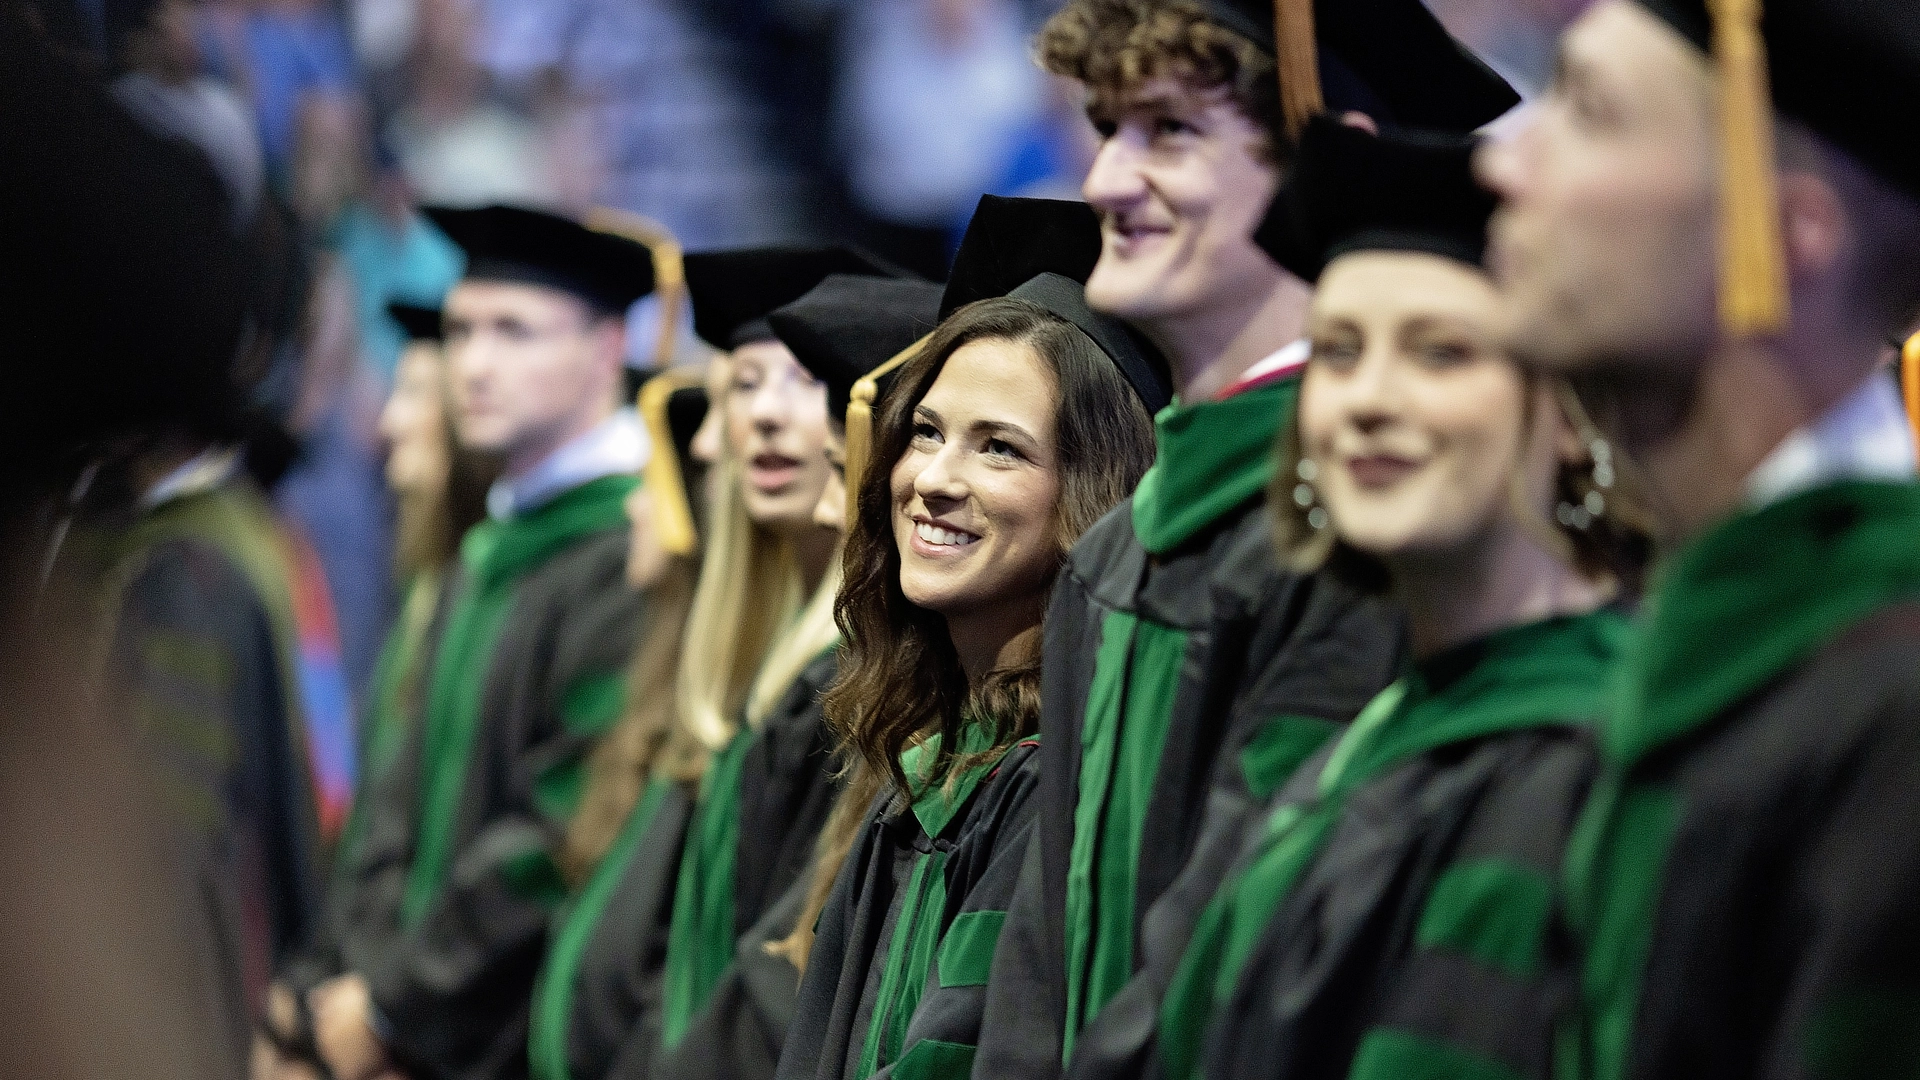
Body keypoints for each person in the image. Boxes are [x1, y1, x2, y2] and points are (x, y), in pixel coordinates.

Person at [975, 3, 1521, 1076]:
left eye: (1169, 132)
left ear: (1329, 158)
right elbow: (1039, 954)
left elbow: (1245, 945)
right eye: (1107, 130)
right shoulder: (1116, 553)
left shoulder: (1353, 546)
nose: (1104, 183)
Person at [1149, 117, 1650, 1080]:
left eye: (1442, 353)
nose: (1369, 397)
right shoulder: (1379, 736)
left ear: (1571, 412)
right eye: (1337, 351)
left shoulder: (1590, 758)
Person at [1475, 1, 1920, 1077]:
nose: (1503, 163)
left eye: (1588, 109)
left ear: (1789, 232)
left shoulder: (1887, 692)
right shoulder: (1706, 641)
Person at [774, 195, 1161, 1080]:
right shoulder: (929, 773)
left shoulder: (1053, 786)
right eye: (926, 432)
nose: (935, 479)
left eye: (1000, 449)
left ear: (1090, 499)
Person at [525, 247, 901, 1080]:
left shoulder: (845, 685)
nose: (764, 417)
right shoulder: (752, 674)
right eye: (745, 385)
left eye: (805, 382)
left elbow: (773, 979)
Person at [309, 205, 656, 1080]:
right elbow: (395, 800)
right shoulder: (488, 548)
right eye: (461, 330)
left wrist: (394, 1006)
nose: (475, 363)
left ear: (608, 348)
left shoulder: (629, 555)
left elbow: (563, 827)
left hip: (507, 1040)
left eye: (514, 331)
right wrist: (349, 982)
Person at [259, 301, 497, 1079]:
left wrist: (377, 1007)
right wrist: (306, 990)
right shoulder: (423, 595)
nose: (390, 423)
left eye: (417, 397)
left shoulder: (490, 608)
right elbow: (371, 837)